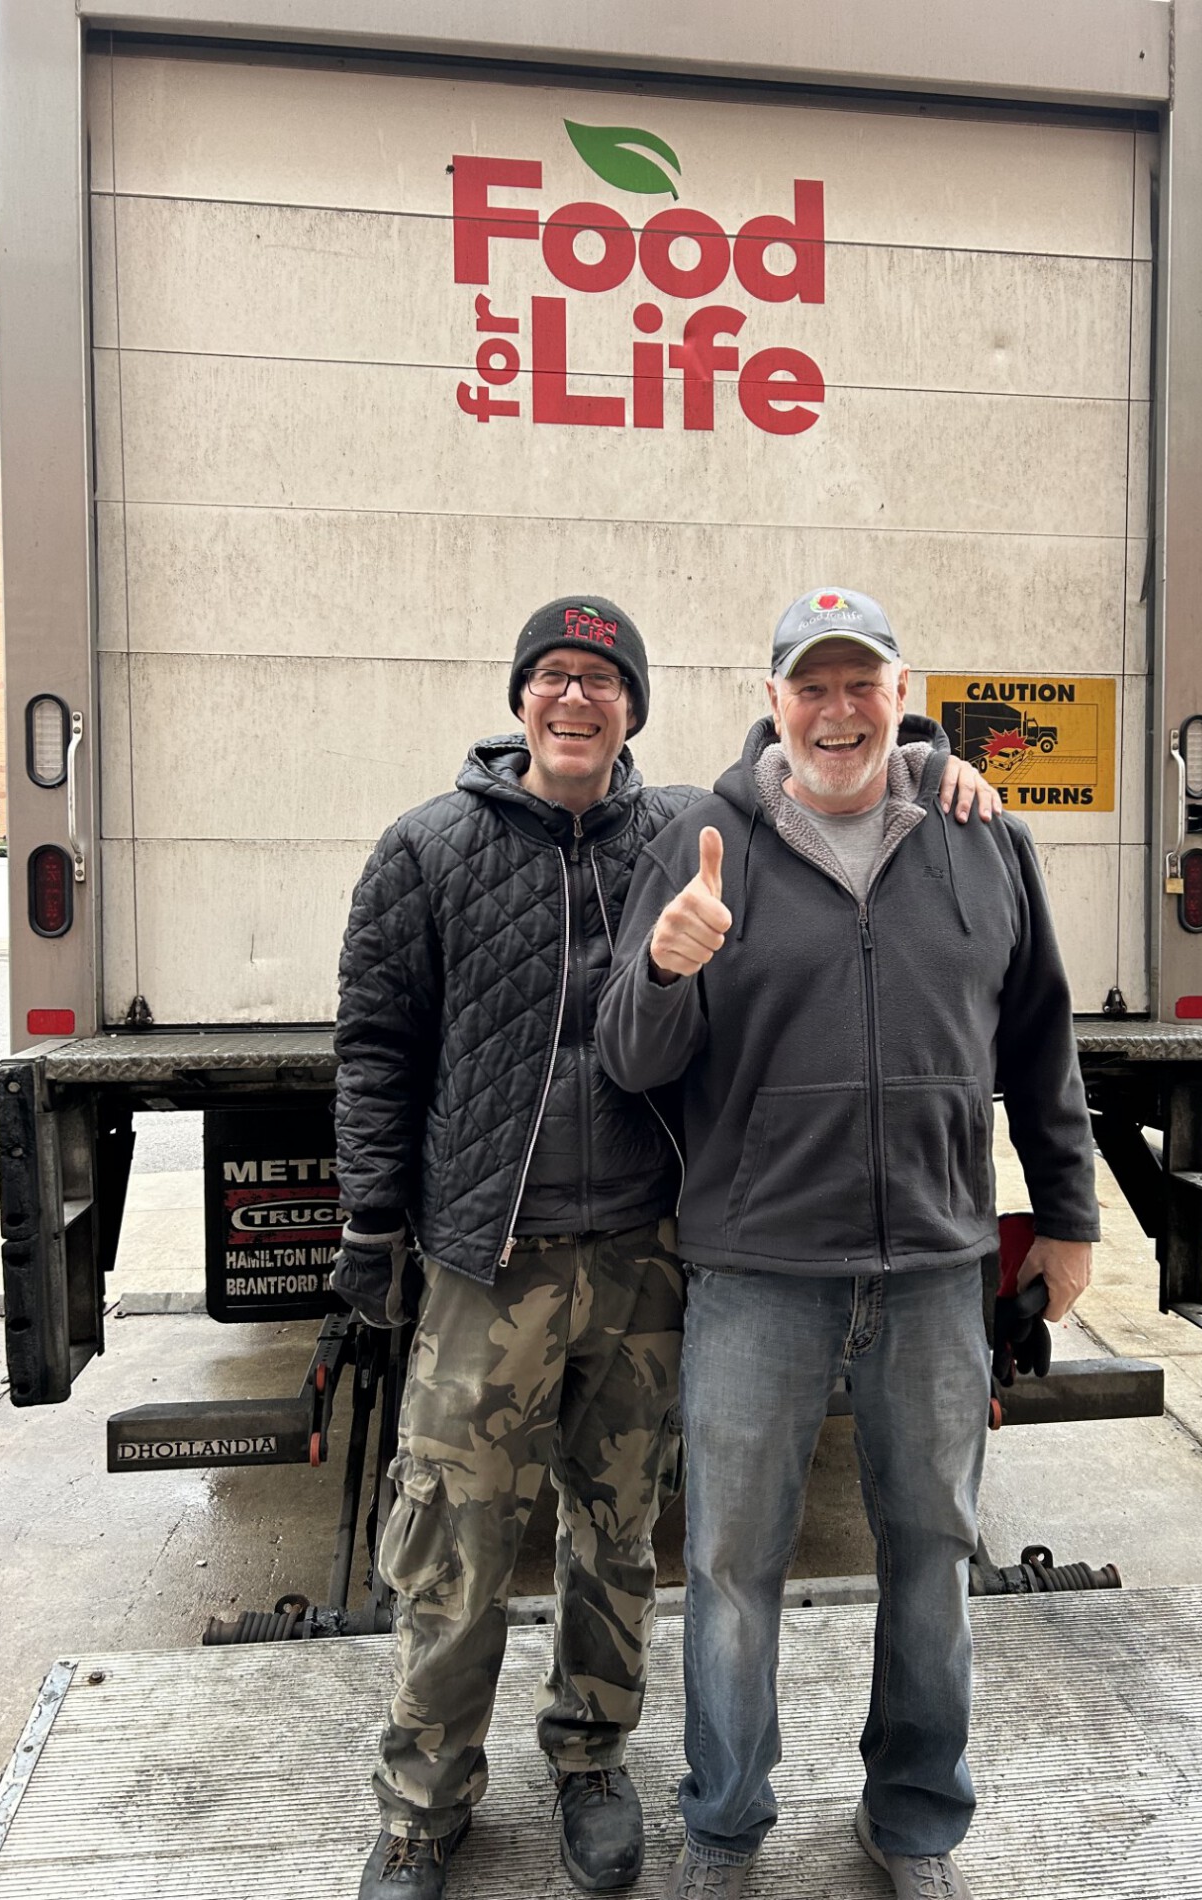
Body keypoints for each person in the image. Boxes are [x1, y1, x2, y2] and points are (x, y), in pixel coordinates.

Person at [331, 591, 1003, 1900]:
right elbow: (372, 1051)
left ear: (634, 706)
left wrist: (938, 765)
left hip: (645, 1256)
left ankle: (590, 1758)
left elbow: (837, 777)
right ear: (519, 697)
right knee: (451, 1548)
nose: (576, 699)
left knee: (618, 1537)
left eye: (603, 680)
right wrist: (371, 1215)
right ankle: (422, 1807)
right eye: (554, 677)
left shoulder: (690, 831)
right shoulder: (427, 851)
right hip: (491, 1264)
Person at [597, 587, 1099, 1900]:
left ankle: (915, 1819)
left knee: (931, 1558)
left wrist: (1066, 1213)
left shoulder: (978, 838)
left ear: (898, 691)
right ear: (771, 701)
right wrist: (661, 967)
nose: (834, 712)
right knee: (727, 1565)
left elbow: (1039, 1037)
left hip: (935, 1269)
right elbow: (628, 1058)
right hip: (757, 1273)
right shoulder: (704, 839)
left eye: (857, 683)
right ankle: (721, 1823)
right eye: (806, 687)